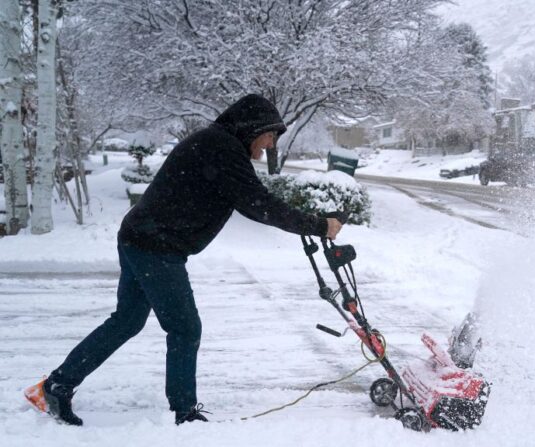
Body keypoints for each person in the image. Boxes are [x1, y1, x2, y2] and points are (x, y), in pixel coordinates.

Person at [24, 94, 343, 426]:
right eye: (270, 135)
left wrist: (310, 223)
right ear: (253, 128)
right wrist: (318, 225)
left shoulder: (218, 144)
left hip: (141, 237)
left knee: (127, 321)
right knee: (185, 328)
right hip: (155, 246)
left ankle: (56, 386)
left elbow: (254, 200)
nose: (271, 145)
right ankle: (184, 411)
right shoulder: (222, 149)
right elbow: (258, 203)